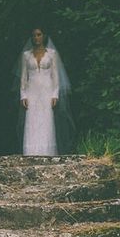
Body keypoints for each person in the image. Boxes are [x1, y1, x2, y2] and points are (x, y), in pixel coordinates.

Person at [14, 27, 75, 155]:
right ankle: (30, 151)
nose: (36, 38)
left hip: (47, 91)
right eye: (34, 35)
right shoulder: (26, 55)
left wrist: (55, 94)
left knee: (47, 120)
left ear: (44, 36)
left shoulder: (52, 54)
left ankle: (48, 152)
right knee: (32, 120)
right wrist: (23, 95)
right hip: (32, 91)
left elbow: (55, 75)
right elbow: (24, 77)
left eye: (39, 35)